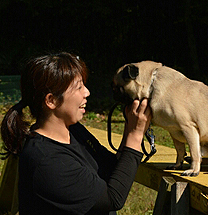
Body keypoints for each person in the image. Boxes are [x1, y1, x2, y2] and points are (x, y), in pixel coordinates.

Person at [0, 52, 152, 214]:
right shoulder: (47, 161)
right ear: (51, 100)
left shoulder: (73, 130)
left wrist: (130, 129)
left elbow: (111, 168)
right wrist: (135, 136)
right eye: (79, 87)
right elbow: (113, 198)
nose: (87, 92)